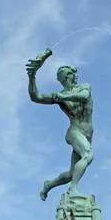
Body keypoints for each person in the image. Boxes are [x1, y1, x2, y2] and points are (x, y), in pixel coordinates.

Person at [26, 49, 94, 201]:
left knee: (71, 174)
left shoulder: (84, 87)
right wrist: (32, 76)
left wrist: (63, 96)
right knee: (88, 155)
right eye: (68, 76)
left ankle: (48, 185)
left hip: (87, 134)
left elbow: (83, 96)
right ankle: (73, 190)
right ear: (65, 78)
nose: (72, 77)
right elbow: (35, 97)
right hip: (74, 131)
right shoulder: (60, 96)